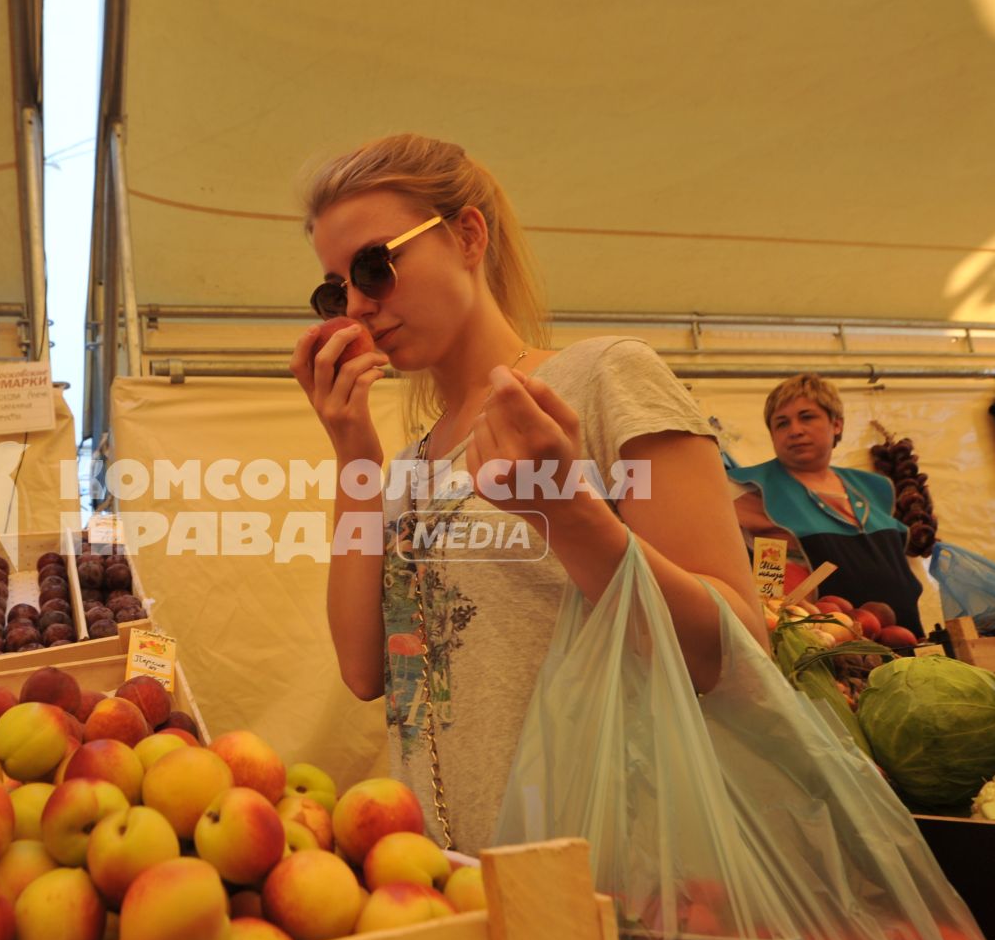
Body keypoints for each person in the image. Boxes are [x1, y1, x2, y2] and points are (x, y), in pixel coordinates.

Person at [289, 133, 762, 854]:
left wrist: (565, 512)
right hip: (452, 884)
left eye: (374, 266)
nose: (355, 304)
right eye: (335, 288)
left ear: (468, 235)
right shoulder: (410, 466)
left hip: (610, 871)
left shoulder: (604, 379)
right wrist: (354, 453)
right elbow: (364, 669)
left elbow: (737, 650)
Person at [730, 375, 925, 637]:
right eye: (782, 423)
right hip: (829, 651)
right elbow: (769, 583)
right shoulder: (752, 489)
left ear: (836, 424)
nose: (795, 430)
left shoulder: (875, 487)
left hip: (908, 639)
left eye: (807, 417)